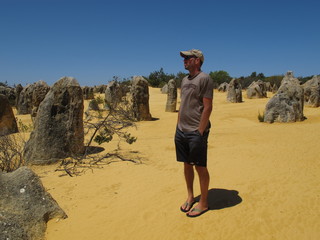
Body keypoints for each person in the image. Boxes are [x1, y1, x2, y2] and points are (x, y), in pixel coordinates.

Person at [175, 49, 213, 217]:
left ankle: (203, 202)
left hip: (196, 131)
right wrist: (178, 125)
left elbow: (208, 106)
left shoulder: (204, 79)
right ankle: (190, 196)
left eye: (188, 58)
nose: (184, 60)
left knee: (200, 166)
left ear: (197, 60)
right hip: (181, 130)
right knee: (186, 164)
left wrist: (200, 130)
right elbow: (183, 104)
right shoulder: (184, 80)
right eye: (184, 58)